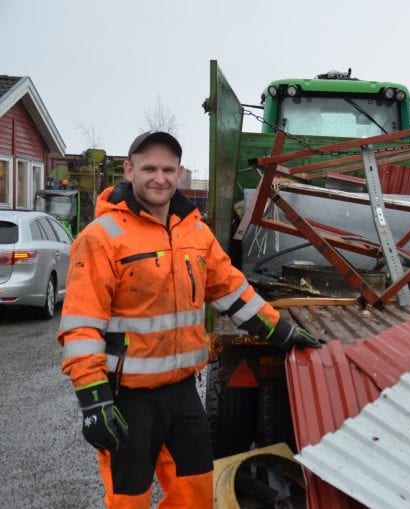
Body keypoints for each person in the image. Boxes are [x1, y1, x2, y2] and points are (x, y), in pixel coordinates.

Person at [58, 131, 320, 508]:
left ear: (180, 173)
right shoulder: (102, 237)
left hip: (182, 393)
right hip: (128, 397)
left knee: (196, 493)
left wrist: (281, 331)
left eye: (168, 169)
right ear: (129, 170)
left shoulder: (194, 231)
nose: (159, 178)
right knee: (129, 500)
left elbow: (231, 290)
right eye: (149, 168)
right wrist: (93, 400)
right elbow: (81, 326)